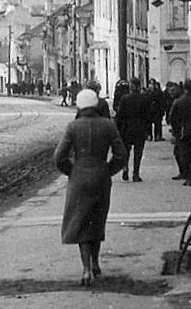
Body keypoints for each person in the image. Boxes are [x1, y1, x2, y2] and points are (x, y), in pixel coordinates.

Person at [54, 88, 127, 286]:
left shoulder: (72, 126)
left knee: (80, 222)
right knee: (97, 220)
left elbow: (59, 158)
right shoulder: (108, 125)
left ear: (79, 105)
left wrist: (73, 171)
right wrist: (108, 170)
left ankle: (86, 269)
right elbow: (121, 155)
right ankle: (95, 263)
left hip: (79, 179)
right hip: (101, 178)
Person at [114, 77, 150, 182]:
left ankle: (125, 169)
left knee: (126, 151)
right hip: (140, 128)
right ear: (138, 86)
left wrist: (119, 129)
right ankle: (136, 174)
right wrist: (147, 130)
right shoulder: (144, 98)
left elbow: (120, 115)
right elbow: (148, 115)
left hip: (127, 129)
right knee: (138, 152)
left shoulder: (125, 99)